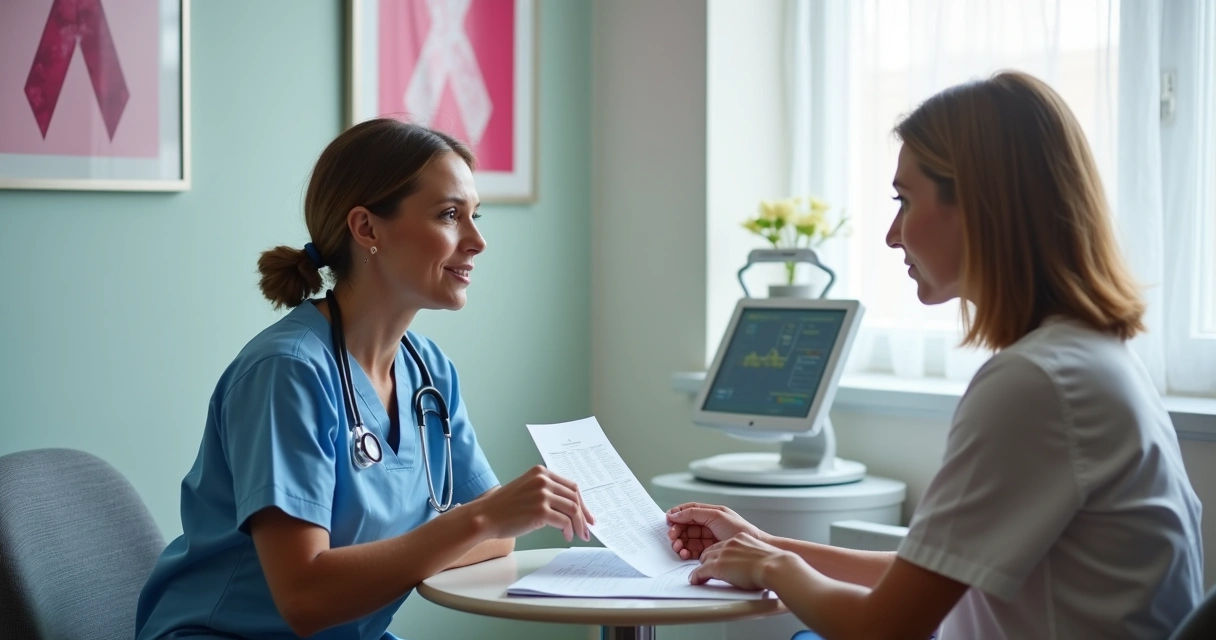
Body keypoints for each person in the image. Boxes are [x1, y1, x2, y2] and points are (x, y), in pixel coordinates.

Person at [666, 71, 1204, 639]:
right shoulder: (1089, 357)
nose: (892, 234)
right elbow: (928, 574)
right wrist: (765, 545)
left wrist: (775, 568)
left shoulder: (1036, 384)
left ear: (979, 205)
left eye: (904, 200)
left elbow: (884, 628)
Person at [136, 119, 594, 640]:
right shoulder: (286, 372)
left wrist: (486, 522)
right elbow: (305, 598)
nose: (477, 241)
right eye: (449, 215)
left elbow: (498, 538)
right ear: (367, 229)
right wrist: (479, 521)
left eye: (475, 216)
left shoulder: (429, 372)